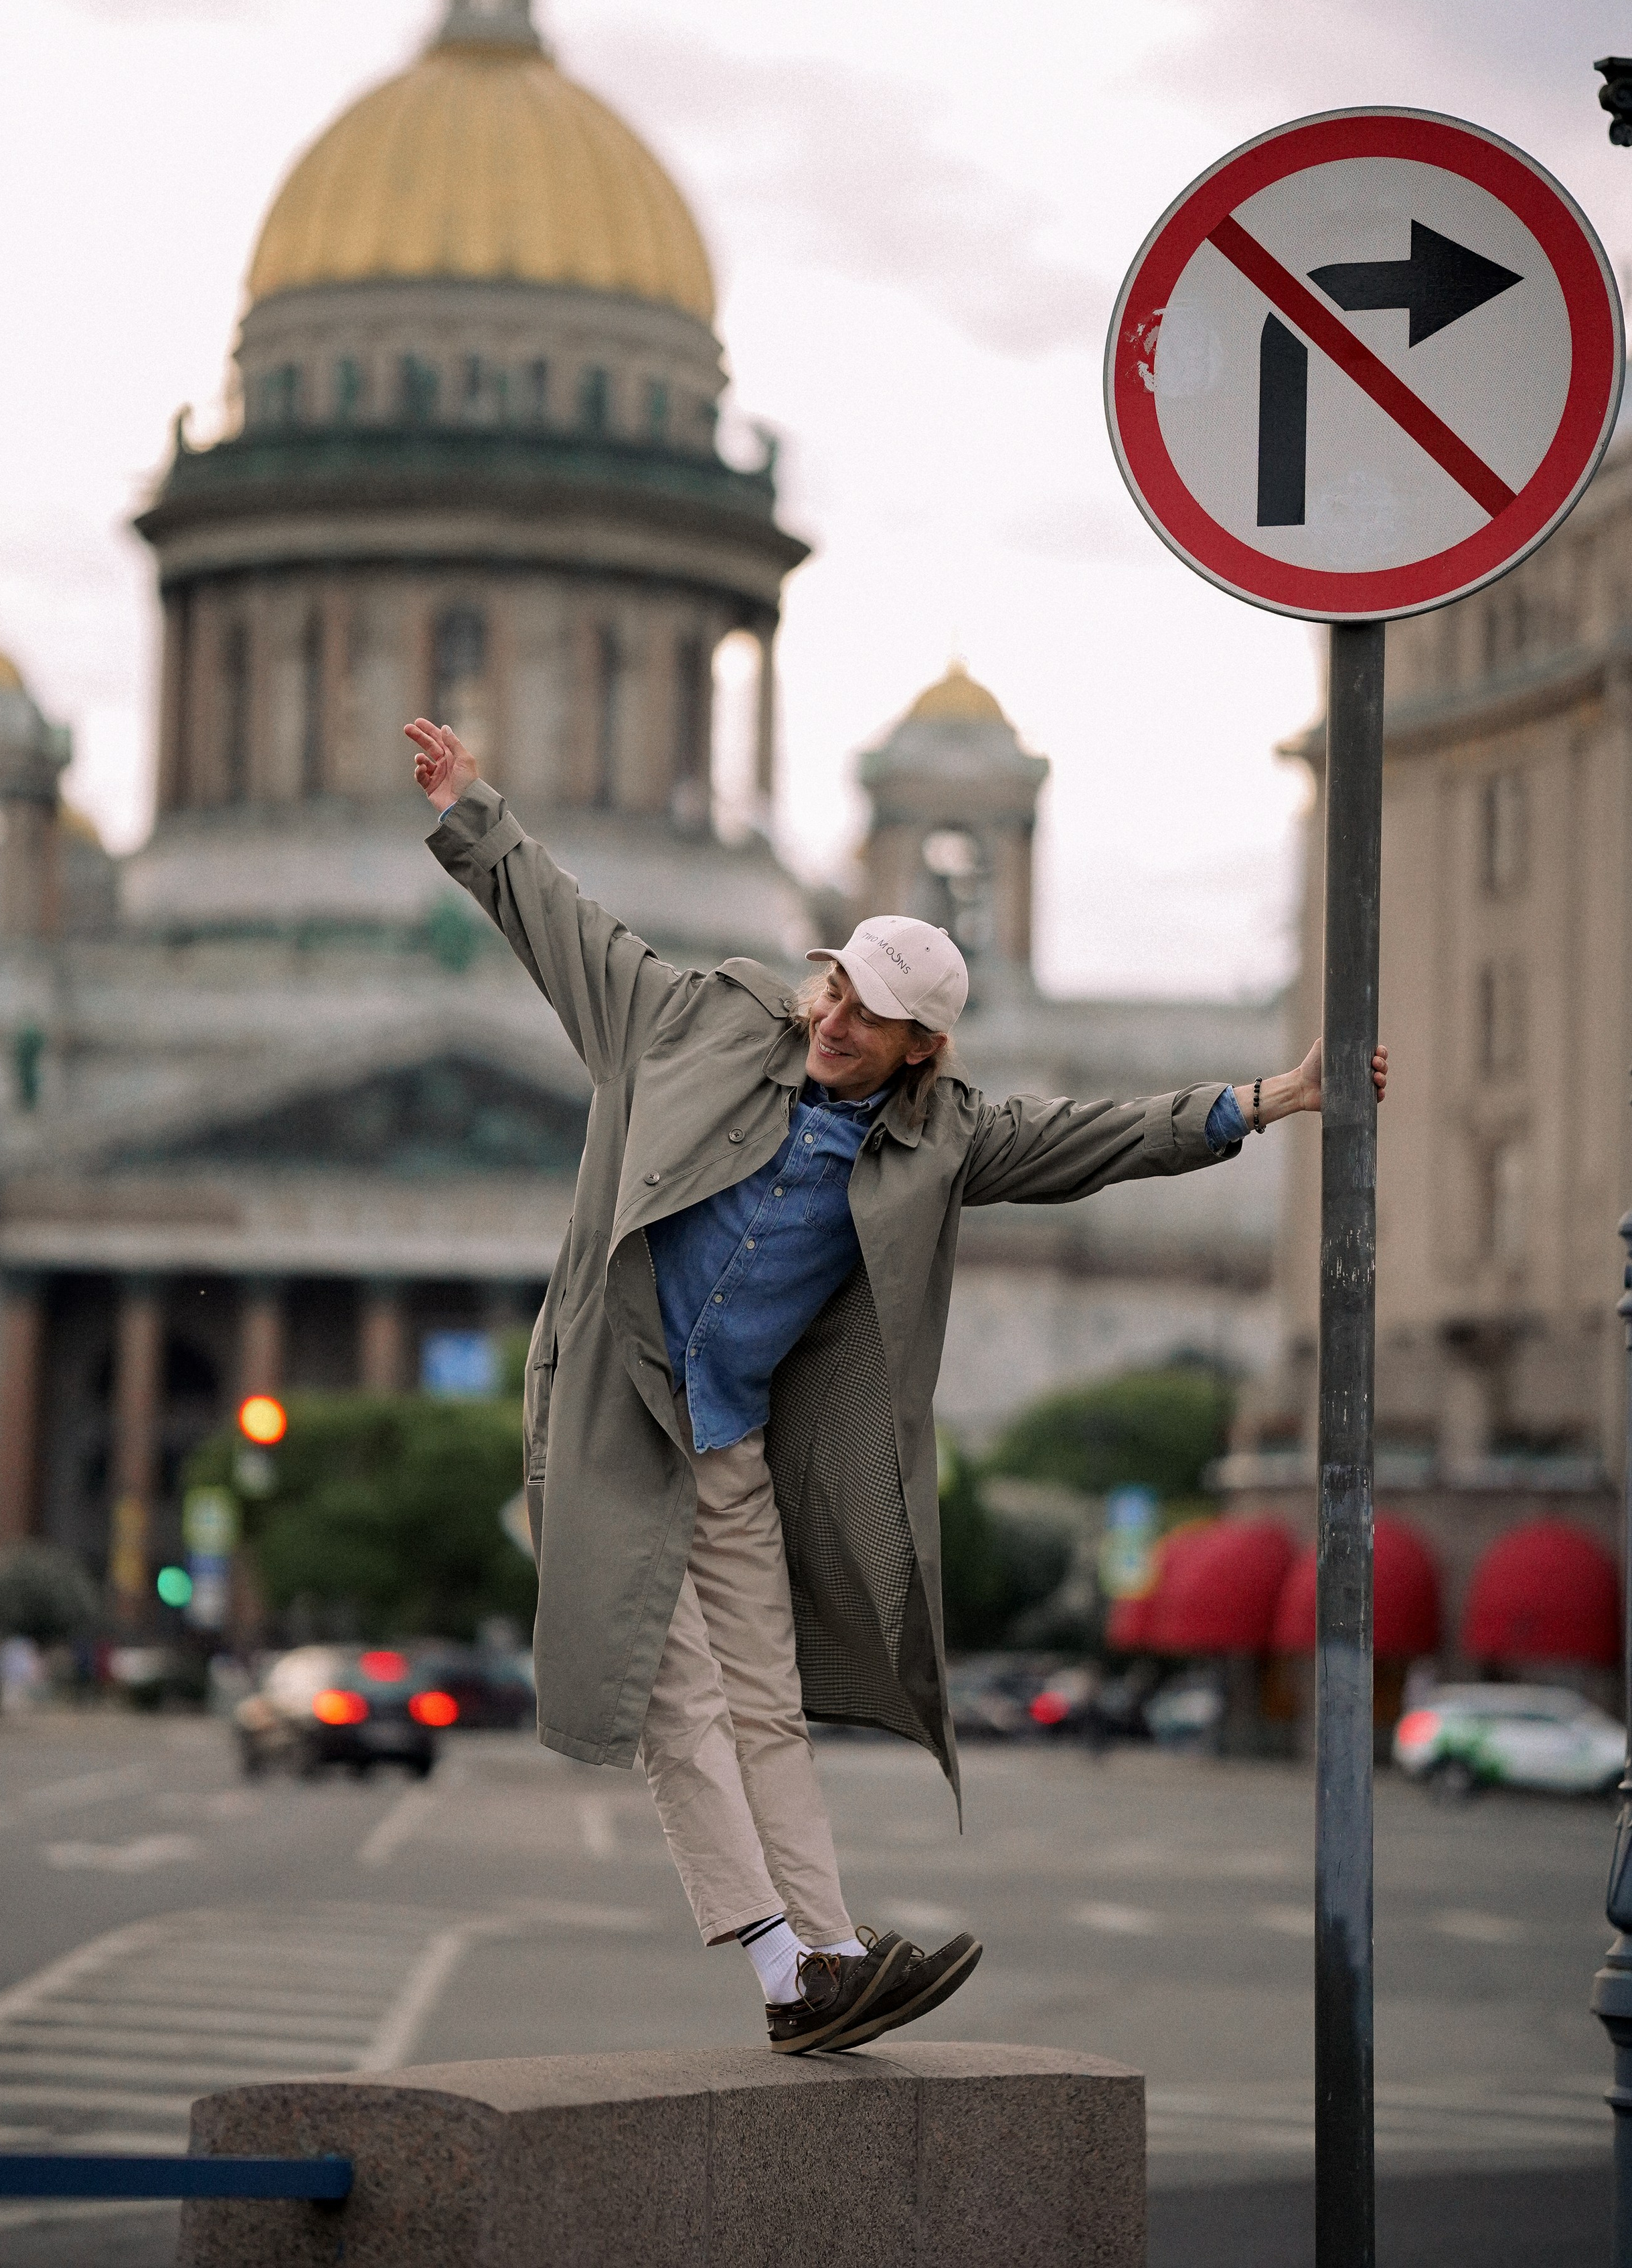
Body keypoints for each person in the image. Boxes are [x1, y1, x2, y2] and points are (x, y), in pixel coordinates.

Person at [404, 715, 1388, 2055]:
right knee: (674, 1697)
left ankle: (831, 1951)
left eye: (868, 1017)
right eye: (834, 993)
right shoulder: (696, 1023)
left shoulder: (943, 1141)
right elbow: (566, 930)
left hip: (732, 1444)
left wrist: (1268, 1098)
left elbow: (1093, 1140)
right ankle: (783, 1972)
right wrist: (473, 811)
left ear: (921, 1048)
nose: (834, 1022)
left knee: (767, 1709)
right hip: (614, 1412)